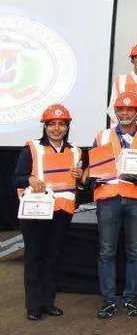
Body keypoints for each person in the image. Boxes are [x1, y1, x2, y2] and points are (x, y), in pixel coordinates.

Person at [90, 91, 137, 319]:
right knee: (106, 251)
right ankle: (109, 301)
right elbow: (93, 169)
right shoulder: (103, 136)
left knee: (135, 252)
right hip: (108, 198)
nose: (125, 113)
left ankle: (129, 299)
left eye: (130, 109)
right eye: (121, 109)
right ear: (115, 112)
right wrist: (93, 175)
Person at [14, 104, 84, 321]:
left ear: (67, 127)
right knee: (34, 257)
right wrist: (29, 179)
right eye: (51, 124)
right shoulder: (31, 147)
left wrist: (81, 177)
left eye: (61, 124)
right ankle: (34, 306)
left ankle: (48, 302)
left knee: (53, 258)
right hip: (36, 211)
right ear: (45, 126)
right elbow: (16, 178)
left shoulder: (76, 151)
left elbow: (81, 185)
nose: (56, 128)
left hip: (62, 211)